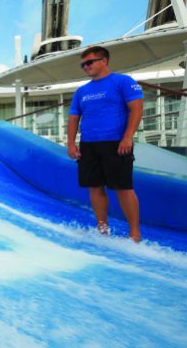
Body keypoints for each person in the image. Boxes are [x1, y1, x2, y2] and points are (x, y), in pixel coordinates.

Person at [66, 46, 143, 242]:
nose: (86, 67)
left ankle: (134, 234)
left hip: (116, 142)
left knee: (123, 188)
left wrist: (128, 137)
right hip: (89, 145)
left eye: (89, 62)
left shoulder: (123, 81)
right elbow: (74, 118)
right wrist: (71, 144)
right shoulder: (81, 91)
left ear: (104, 61)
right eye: (83, 64)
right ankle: (102, 228)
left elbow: (136, 109)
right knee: (94, 186)